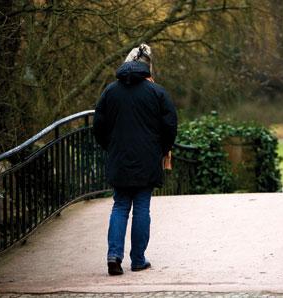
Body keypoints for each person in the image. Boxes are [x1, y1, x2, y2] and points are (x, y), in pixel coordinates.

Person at [93, 44, 177, 275]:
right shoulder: (158, 93)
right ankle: (138, 259)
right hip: (147, 159)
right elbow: (170, 126)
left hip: (119, 158)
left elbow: (98, 126)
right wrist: (162, 149)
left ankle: (114, 255)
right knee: (142, 208)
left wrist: (111, 147)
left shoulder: (110, 91)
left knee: (119, 206)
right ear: (148, 69)